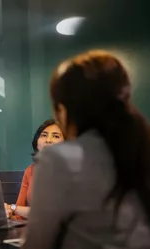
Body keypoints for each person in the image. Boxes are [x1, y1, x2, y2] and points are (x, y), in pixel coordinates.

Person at [22, 50, 150, 248]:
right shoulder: (140, 147)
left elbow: (38, 244)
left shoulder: (58, 159)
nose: (48, 140)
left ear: (63, 111)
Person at [5, 119, 64, 219]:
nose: (48, 140)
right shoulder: (30, 170)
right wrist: (7, 213)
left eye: (56, 136)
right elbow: (19, 216)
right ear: (36, 143)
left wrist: (13, 208)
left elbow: (53, 213)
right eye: (44, 135)